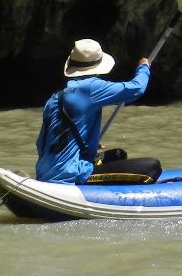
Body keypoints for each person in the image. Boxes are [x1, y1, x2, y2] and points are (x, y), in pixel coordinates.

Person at [35, 38, 151, 184]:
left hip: (43, 172)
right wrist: (144, 67)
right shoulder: (91, 87)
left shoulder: (54, 99)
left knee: (118, 154)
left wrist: (86, 144)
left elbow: (41, 144)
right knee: (151, 167)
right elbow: (136, 89)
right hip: (69, 173)